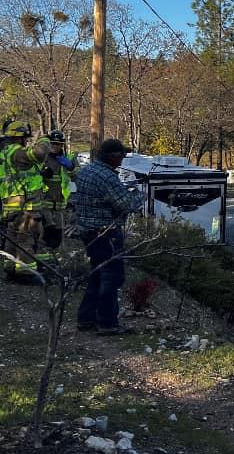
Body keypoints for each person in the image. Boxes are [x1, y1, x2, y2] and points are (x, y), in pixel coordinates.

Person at [74, 139, 144, 335]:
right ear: (113, 156)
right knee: (112, 277)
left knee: (96, 275)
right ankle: (107, 323)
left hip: (88, 231)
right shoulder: (107, 177)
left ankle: (86, 319)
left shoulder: (87, 171)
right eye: (121, 155)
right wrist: (140, 194)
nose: (123, 159)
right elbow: (127, 205)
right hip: (106, 233)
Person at [0, 121, 58, 280]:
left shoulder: (8, 152)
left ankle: (10, 268)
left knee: (14, 237)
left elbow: (25, 172)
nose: (27, 141)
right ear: (19, 138)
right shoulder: (16, 152)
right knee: (27, 237)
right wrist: (45, 140)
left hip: (15, 202)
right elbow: (38, 154)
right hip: (25, 204)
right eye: (26, 138)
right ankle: (25, 272)